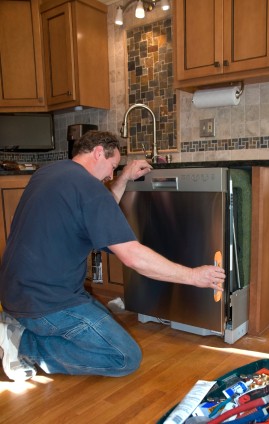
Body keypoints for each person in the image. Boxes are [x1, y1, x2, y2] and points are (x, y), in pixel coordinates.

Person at [0, 130, 225, 381]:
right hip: (46, 303)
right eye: (112, 166)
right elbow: (132, 256)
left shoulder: (49, 173)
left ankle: (17, 324)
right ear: (98, 152)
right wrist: (194, 276)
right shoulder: (88, 188)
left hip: (13, 293)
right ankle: (24, 345)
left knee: (103, 320)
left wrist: (124, 178)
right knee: (124, 357)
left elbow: (97, 208)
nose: (110, 174)